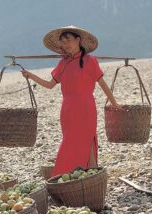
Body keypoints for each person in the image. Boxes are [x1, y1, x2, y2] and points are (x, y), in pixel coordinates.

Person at [21, 25, 122, 177]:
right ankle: (69, 177)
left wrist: (114, 104)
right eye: (62, 41)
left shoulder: (90, 61)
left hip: (86, 107)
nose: (64, 44)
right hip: (68, 109)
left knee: (87, 141)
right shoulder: (63, 63)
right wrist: (30, 75)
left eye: (67, 40)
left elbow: (103, 85)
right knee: (70, 142)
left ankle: (93, 177)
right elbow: (50, 85)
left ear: (78, 40)